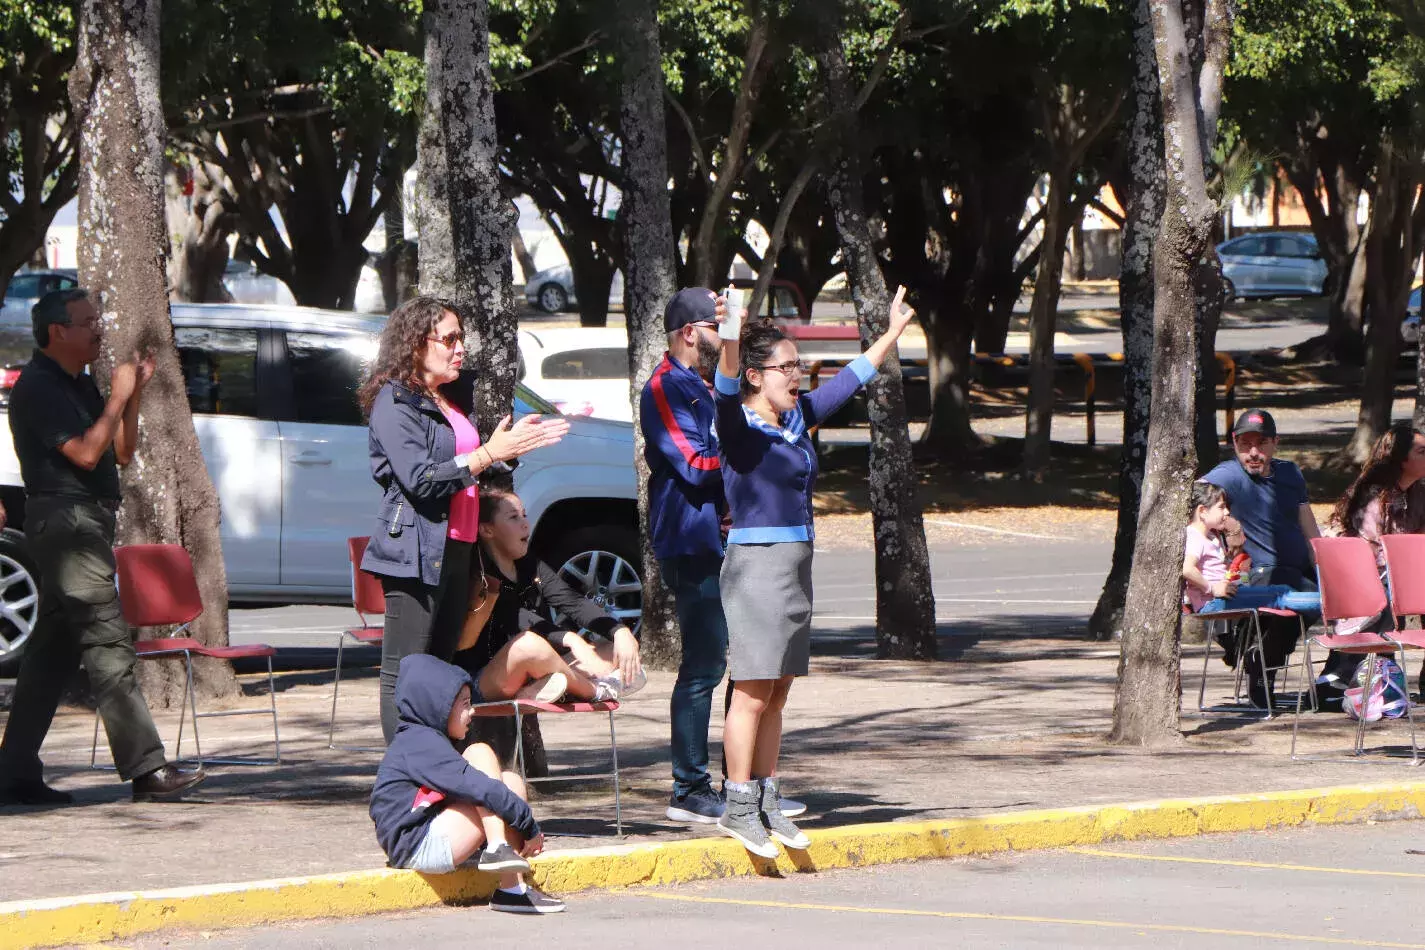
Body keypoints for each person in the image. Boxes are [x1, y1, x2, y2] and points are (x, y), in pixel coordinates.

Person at [711, 286, 916, 857]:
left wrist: (892, 334)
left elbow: (849, 379)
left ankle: (769, 796)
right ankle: (739, 804)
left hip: (795, 565)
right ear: (756, 376)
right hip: (755, 566)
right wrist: (732, 322)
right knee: (750, 690)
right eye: (785, 368)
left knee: (778, 689)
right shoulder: (735, 422)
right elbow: (725, 374)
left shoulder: (796, 417)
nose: (795, 377)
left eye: (797, 367)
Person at [0, 288, 205, 805]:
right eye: (88, 322)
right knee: (108, 644)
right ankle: (147, 769)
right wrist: (116, 394)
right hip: (66, 524)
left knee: (48, 657)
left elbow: (121, 450)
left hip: (88, 523)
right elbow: (87, 455)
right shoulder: (37, 388)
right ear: (57, 333)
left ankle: (13, 773)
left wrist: (131, 395)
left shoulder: (78, 382)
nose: (99, 329)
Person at [359, 295, 569, 743]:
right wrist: (486, 453)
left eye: (462, 339)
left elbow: (469, 470)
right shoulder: (394, 402)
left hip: (457, 547)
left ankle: (439, 770)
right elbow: (420, 479)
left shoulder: (447, 399)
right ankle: (405, 778)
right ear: (416, 344)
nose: (460, 348)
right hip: (415, 551)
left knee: (440, 667)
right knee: (406, 670)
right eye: (449, 338)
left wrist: (506, 453)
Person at [369, 654, 564, 914]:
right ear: (436, 707)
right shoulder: (419, 744)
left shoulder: (425, 740)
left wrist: (521, 818)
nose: (472, 712)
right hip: (418, 845)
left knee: (512, 782)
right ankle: (499, 849)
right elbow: (480, 789)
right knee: (480, 753)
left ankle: (511, 887)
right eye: (464, 704)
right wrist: (529, 826)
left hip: (429, 834)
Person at [640, 287, 732, 823]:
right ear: (690, 333)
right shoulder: (663, 388)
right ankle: (689, 788)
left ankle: (742, 781)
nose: (725, 338)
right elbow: (695, 463)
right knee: (703, 663)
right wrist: (744, 450)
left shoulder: (704, 383)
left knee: (729, 659)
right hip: (692, 540)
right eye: (717, 326)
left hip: (723, 538)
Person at [449, 484, 635, 705]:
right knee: (529, 645)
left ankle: (551, 686)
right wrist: (570, 639)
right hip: (483, 681)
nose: (525, 523)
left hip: (537, 670)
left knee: (619, 650)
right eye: (513, 518)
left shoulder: (530, 565)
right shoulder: (480, 576)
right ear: (487, 530)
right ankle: (593, 691)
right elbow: (516, 617)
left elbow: (571, 600)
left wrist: (620, 631)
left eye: (524, 515)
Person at [1202, 409, 1322, 705]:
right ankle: (1256, 661)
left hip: (1296, 570)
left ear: (1275, 443)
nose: (1253, 453)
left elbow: (1307, 522)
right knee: (1293, 588)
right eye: (1245, 445)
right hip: (1253, 573)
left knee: (1322, 594)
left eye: (1262, 443)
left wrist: (1322, 561)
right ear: (1234, 443)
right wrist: (1232, 525)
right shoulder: (1227, 474)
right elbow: (1196, 501)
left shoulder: (1290, 473)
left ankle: (1260, 657)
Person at [1320, 423, 1425, 692]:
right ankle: (1341, 673)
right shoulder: (1374, 497)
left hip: (1401, 577)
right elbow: (1369, 553)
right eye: (1422, 451)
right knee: (1389, 591)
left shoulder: (1418, 493)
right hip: (1362, 579)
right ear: (1401, 460)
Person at [1183, 481, 1319, 616]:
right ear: (1202, 511)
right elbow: (1187, 569)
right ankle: (1331, 604)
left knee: (1278, 591)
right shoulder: (1194, 536)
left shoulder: (1211, 536)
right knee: (1279, 594)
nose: (1227, 511)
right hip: (1212, 602)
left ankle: (1331, 603)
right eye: (1221, 507)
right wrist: (1211, 588)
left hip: (1224, 596)